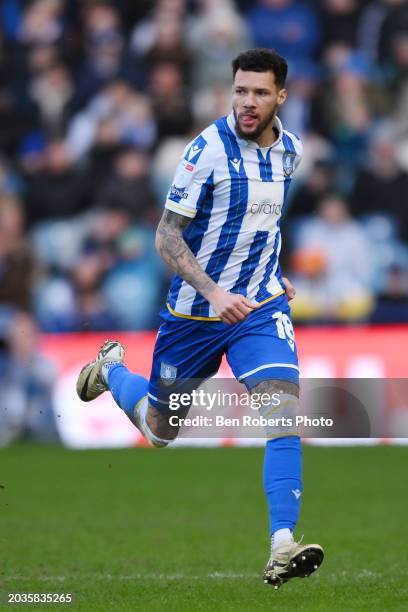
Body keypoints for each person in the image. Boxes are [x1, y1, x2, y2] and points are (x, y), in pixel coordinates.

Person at [76, 48, 324, 589]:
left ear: (281, 95)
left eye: (259, 92)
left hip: (259, 310)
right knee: (162, 431)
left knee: (283, 413)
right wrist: (212, 292)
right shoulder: (205, 151)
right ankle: (113, 370)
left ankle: (283, 544)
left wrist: (272, 275)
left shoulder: (291, 153)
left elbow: (263, 223)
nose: (247, 102)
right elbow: (166, 235)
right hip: (194, 314)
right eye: (240, 91)